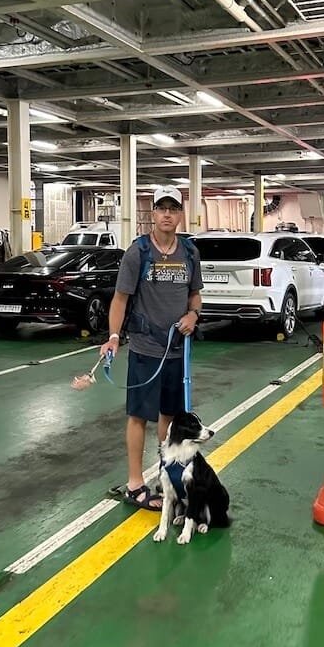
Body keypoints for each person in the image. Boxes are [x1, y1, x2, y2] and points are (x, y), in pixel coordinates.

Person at [101, 186, 203, 510]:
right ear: (153, 213)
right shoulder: (138, 252)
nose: (168, 214)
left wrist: (193, 314)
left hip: (176, 350)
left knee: (169, 418)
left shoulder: (189, 252)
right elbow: (120, 300)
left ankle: (166, 477)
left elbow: (195, 295)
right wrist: (114, 336)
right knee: (138, 416)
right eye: (162, 208)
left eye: (174, 208)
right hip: (146, 348)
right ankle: (134, 484)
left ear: (180, 213)